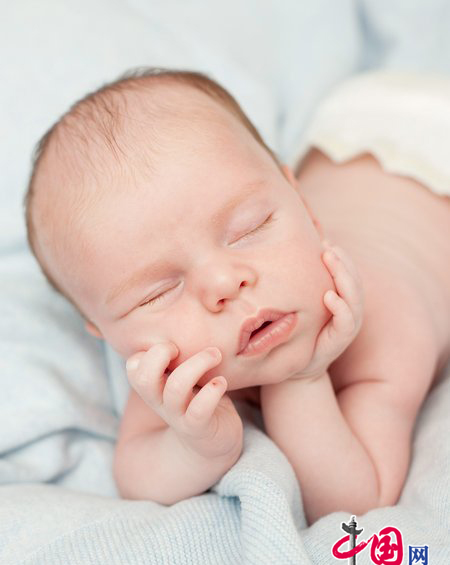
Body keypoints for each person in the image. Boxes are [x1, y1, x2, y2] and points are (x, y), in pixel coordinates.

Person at [23, 67, 450, 525]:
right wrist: (197, 447)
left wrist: (302, 379)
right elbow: (136, 473)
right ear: (104, 333)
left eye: (251, 228)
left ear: (305, 208)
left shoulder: (386, 328)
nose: (224, 283)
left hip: (401, 135)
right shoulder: (174, 370)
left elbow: (356, 501)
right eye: (159, 293)